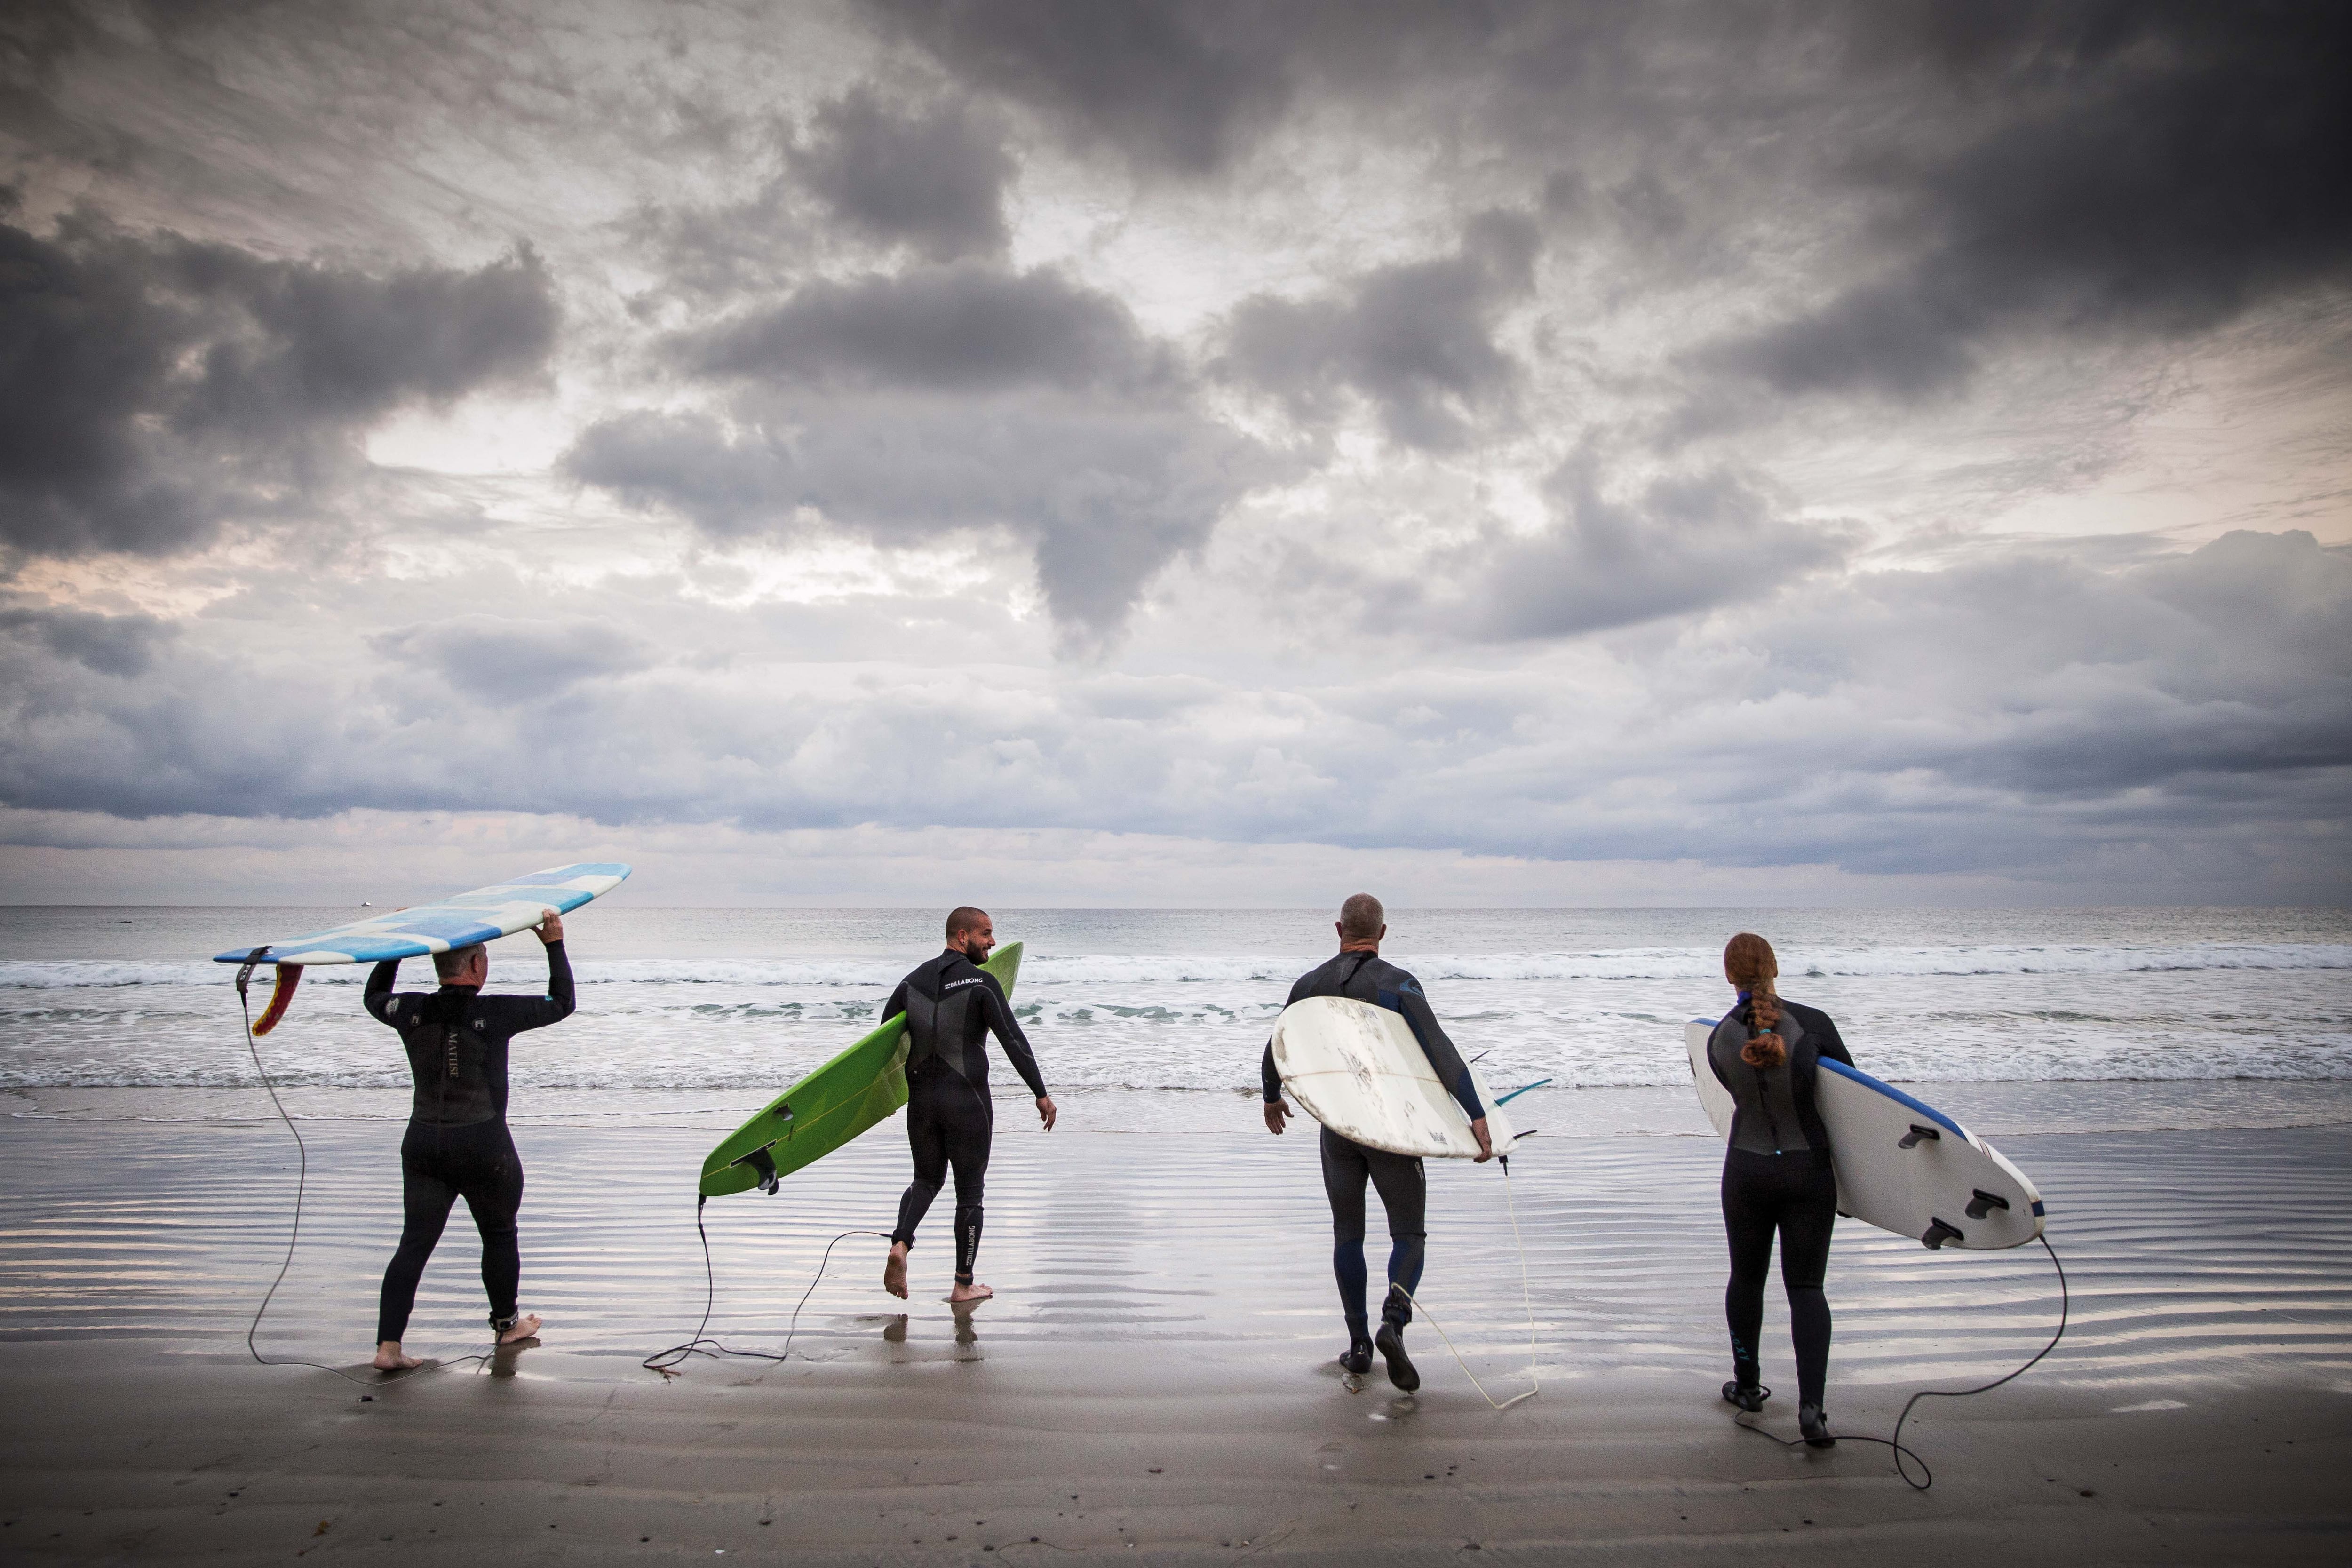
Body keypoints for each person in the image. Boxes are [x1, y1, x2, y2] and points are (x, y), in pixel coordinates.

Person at [1262, 893, 1492, 1391]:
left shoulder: (1308, 984)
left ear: (1338, 928)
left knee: (1348, 1234)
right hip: (1391, 1127)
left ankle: (1359, 1346)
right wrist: (1475, 1113)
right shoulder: (1398, 983)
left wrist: (1270, 1098)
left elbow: (1277, 1045)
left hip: (1337, 1129)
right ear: (1382, 934)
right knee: (1408, 1234)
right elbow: (1439, 1050)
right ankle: (1393, 1320)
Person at [362, 908, 575, 1371]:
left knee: (414, 1243)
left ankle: (387, 1348)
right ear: (478, 966)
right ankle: (506, 1326)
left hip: (422, 1144)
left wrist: (396, 946)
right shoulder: (495, 1011)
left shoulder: (410, 1010)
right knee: (498, 1234)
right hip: (483, 1146)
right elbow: (562, 1003)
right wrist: (554, 943)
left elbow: (374, 996)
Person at [1707, 931, 1854, 1447]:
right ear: (1774, 967)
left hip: (1746, 1171)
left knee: (1746, 1281)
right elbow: (1852, 1101)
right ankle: (1812, 1410)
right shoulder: (1812, 1026)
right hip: (1806, 1172)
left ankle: (1747, 1387)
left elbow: (1731, 1093)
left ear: (1729, 976)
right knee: (1806, 1289)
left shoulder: (1717, 1038)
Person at [880, 907, 1056, 1305]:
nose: (993, 942)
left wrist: (885, 1096)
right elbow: (1012, 1038)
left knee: (926, 1179)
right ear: (963, 936)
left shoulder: (911, 982)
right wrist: (1040, 1092)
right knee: (970, 1193)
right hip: (968, 1103)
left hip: (922, 1102)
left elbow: (884, 1045)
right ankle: (963, 1283)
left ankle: (901, 1244)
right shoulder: (982, 982)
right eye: (986, 934)